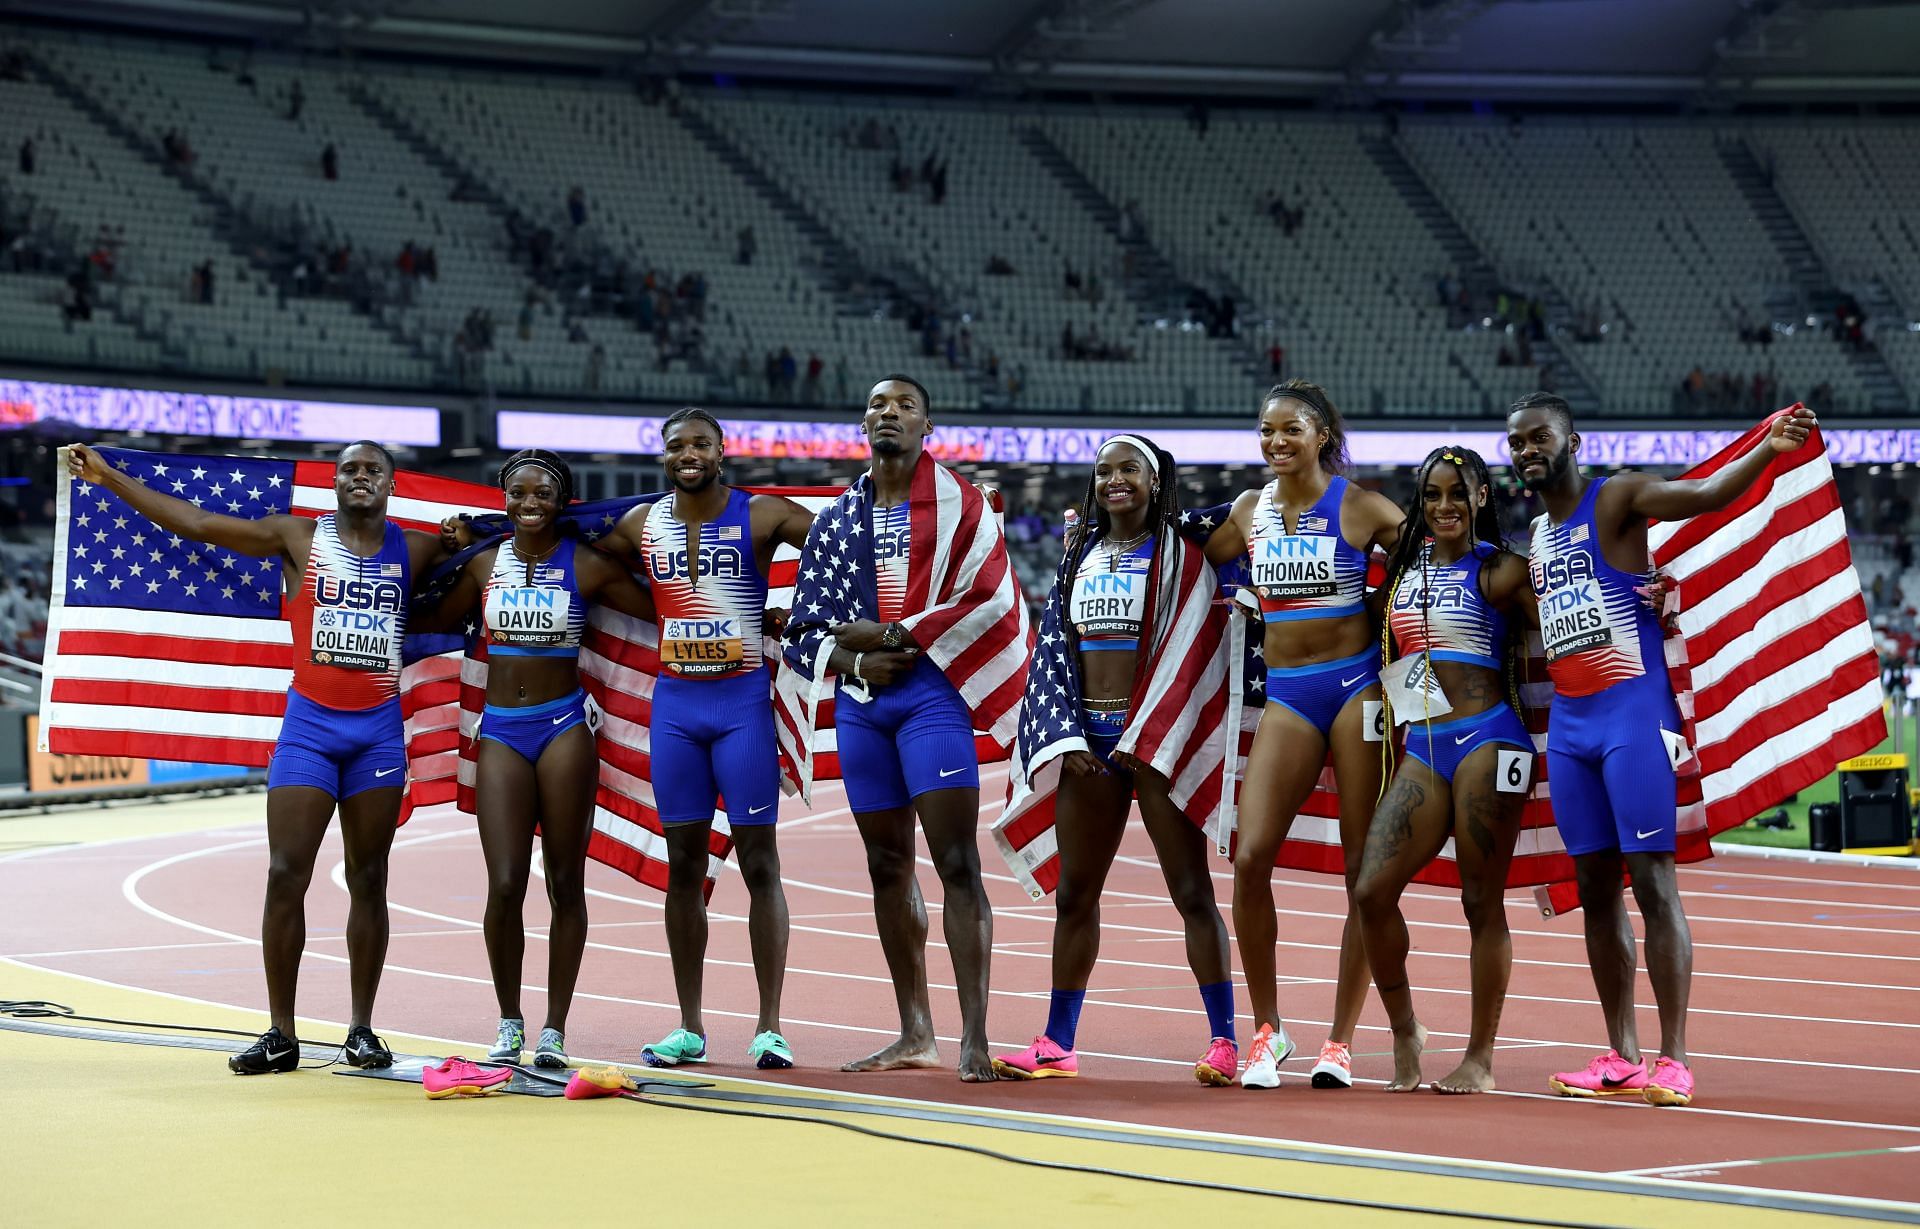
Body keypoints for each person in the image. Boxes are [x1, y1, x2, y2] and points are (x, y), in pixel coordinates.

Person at [65, 440, 455, 1074]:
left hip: (378, 734)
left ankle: (360, 1029)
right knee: (285, 875)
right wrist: (110, 478)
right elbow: (195, 523)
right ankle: (281, 1032)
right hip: (311, 728)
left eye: (373, 470)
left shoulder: (414, 549)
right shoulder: (297, 536)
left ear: (390, 483)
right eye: (350, 469)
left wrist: (471, 526)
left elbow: (494, 545)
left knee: (369, 878)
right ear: (334, 483)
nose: (361, 477)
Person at [1507, 392, 1817, 1108]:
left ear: (1572, 440)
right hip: (1573, 729)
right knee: (1593, 892)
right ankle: (1621, 1052)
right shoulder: (1539, 536)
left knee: (1652, 882)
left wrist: (1768, 450)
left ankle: (1674, 1058)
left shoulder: (1617, 498)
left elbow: (1703, 493)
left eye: (1540, 436)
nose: (1528, 450)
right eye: (1518, 441)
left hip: (1633, 718)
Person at [783, 375, 1028, 1082]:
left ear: (928, 424)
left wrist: (894, 633)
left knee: (957, 864)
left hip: (931, 698)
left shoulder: (963, 505)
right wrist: (858, 655)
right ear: (863, 423)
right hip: (864, 703)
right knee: (887, 865)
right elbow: (803, 631)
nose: (889, 413)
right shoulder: (835, 521)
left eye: (905, 405)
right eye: (878, 405)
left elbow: (989, 596)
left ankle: (974, 1036)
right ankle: (914, 1030)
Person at [992, 435, 1237, 1085]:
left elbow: (1246, 513)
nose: (1114, 479)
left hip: (1155, 740)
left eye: (1130, 468)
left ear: (1157, 482)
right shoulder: (1080, 553)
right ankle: (1058, 1042)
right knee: (1075, 894)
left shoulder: (1183, 549)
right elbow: (1058, 648)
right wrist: (1065, 736)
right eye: (1104, 471)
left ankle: (1225, 1041)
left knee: (1191, 891)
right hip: (1093, 746)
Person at [592, 408, 815, 1071]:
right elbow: (566, 539)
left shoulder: (763, 514)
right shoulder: (639, 524)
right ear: (664, 457)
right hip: (678, 710)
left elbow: (842, 546)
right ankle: (689, 1026)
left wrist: (799, 614)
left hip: (741, 701)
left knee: (760, 863)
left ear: (722, 451)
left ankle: (769, 1026)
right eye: (675, 446)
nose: (687, 453)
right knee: (683, 867)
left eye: (700, 444)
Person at [1204, 379, 1402, 1089]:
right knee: (1251, 854)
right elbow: (1190, 556)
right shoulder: (1249, 508)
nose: (1276, 442)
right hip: (1288, 694)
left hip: (1354, 689)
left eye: (1291, 430)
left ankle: (1340, 1040)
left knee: (1364, 869)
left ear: (1322, 435)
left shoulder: (1360, 505)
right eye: (1266, 431)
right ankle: (1269, 1029)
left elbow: (1441, 557)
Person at [428, 449, 654, 1069]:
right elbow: (429, 618)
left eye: (543, 495)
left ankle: (554, 1027)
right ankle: (508, 1021)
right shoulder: (480, 565)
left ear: (562, 502)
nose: (531, 504)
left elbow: (664, 605)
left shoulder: (585, 564)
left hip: (562, 728)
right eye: (519, 494)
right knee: (504, 883)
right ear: (504, 501)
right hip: (500, 728)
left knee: (563, 882)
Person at [1351, 446, 1535, 1094]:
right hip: (1425, 744)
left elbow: (1570, 627)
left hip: (1492, 739)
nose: (1444, 506)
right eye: (1431, 495)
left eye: (1457, 492)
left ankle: (1479, 1057)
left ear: (1482, 496)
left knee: (1479, 898)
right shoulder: (1404, 573)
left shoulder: (1505, 572)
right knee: (1371, 889)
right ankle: (1406, 1029)